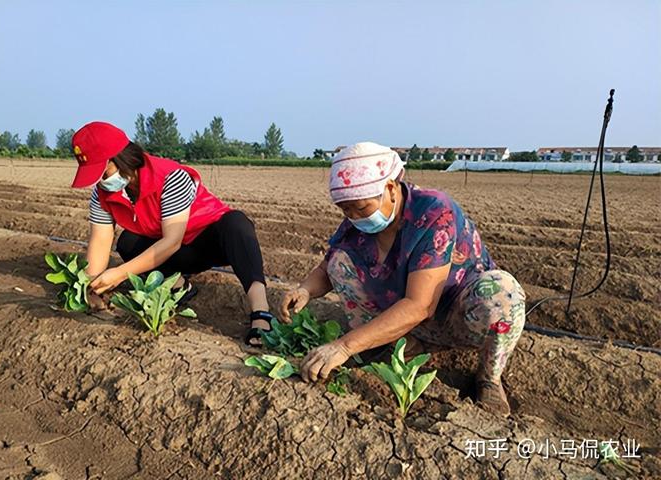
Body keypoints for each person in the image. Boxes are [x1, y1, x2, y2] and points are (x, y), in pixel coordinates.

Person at [279, 142, 526, 415]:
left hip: (457, 314)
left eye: (361, 208)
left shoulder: (433, 212)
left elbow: (421, 305)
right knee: (340, 263)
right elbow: (327, 268)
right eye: (345, 210)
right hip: (404, 319)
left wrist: (344, 346)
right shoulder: (355, 224)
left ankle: (488, 378)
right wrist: (305, 290)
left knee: (502, 292)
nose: (353, 217)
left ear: (391, 188)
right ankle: (402, 346)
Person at [70, 121, 273, 344]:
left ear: (120, 158)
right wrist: (91, 287)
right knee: (128, 242)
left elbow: (172, 241)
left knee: (237, 223)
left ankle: (260, 313)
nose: (102, 181)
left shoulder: (171, 177)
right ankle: (179, 287)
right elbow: (99, 241)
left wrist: (118, 274)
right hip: (174, 252)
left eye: (104, 172)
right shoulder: (102, 195)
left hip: (209, 242)